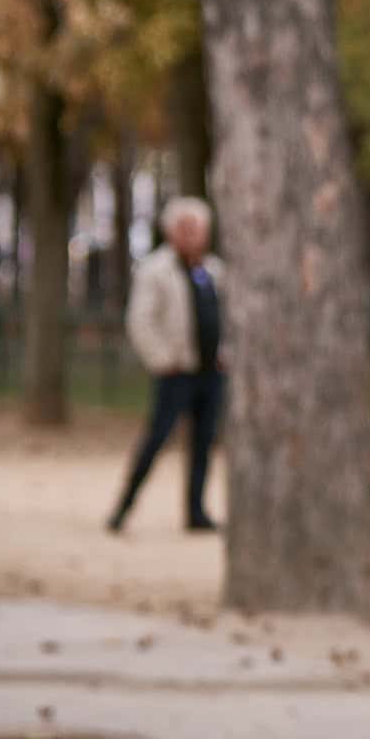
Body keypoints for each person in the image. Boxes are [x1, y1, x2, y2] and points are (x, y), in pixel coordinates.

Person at [107, 197, 225, 534]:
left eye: (197, 229)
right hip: (176, 373)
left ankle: (196, 511)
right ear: (171, 232)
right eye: (185, 229)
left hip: (210, 372)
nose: (192, 236)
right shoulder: (155, 270)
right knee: (157, 439)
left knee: (203, 443)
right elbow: (140, 321)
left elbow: (227, 318)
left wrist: (225, 354)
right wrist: (162, 359)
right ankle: (124, 505)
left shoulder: (213, 271)